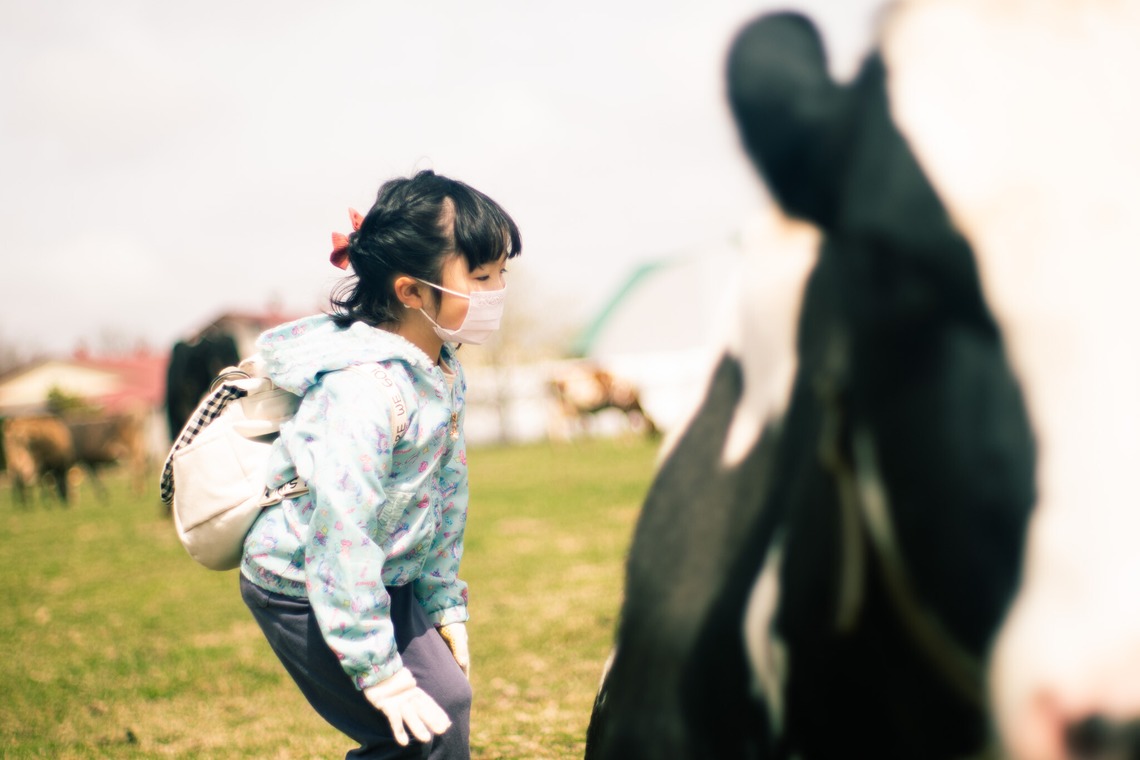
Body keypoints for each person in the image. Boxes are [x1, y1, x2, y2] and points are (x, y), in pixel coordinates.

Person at [239, 169, 521, 759]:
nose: (497, 290)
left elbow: (447, 493)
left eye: (502, 273)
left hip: (384, 575)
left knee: (447, 708)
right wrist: (380, 671)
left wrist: (443, 601)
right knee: (418, 732)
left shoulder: (440, 370)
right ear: (411, 291)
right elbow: (342, 533)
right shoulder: (362, 393)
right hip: (305, 583)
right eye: (481, 274)